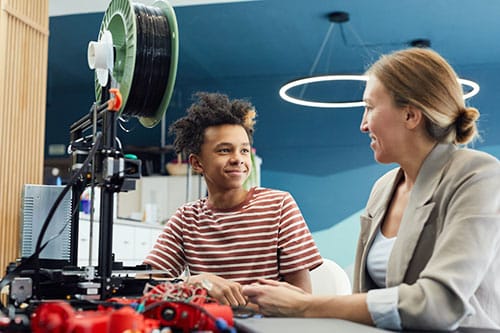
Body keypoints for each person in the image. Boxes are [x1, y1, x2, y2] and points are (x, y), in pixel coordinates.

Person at [242, 48, 500, 330]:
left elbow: (439, 304)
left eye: (369, 107)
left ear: (411, 115)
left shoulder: (478, 175)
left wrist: (306, 305)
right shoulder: (383, 188)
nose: (363, 125)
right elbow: (366, 300)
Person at [144, 92, 323, 307]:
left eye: (244, 150)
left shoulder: (279, 206)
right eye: (224, 150)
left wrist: (243, 307)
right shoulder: (186, 218)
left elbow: (301, 299)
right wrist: (196, 281)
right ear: (197, 163)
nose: (238, 159)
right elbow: (147, 284)